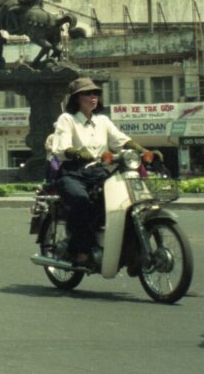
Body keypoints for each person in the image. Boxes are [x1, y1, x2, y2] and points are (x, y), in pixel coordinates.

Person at [52, 77, 155, 266]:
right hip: (72, 173)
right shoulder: (67, 119)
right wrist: (76, 153)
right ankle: (78, 250)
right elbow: (61, 147)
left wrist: (144, 151)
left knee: (124, 202)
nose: (93, 97)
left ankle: (126, 248)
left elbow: (121, 141)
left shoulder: (103, 121)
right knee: (82, 201)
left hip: (97, 172)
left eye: (95, 94)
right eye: (87, 94)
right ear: (76, 98)